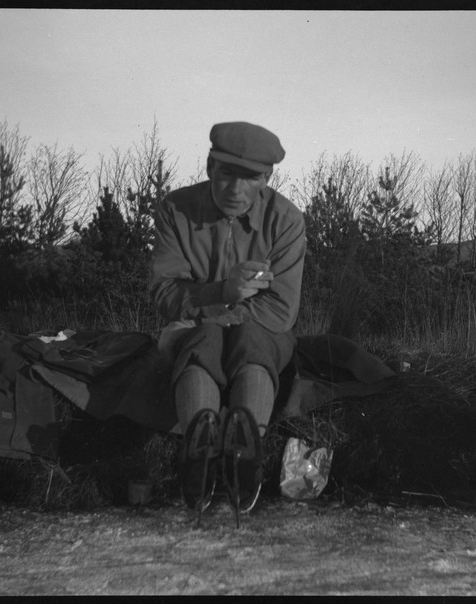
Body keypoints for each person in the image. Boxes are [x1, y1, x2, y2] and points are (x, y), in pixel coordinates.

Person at [150, 121, 305, 526]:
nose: (235, 190)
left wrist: (215, 312)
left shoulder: (286, 221)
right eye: (226, 174)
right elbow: (164, 293)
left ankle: (245, 457)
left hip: (256, 330)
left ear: (266, 178)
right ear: (209, 167)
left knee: (252, 341)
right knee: (201, 342)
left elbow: (280, 311)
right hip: (196, 329)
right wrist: (225, 291)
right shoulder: (175, 210)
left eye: (250, 178)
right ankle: (198, 456)